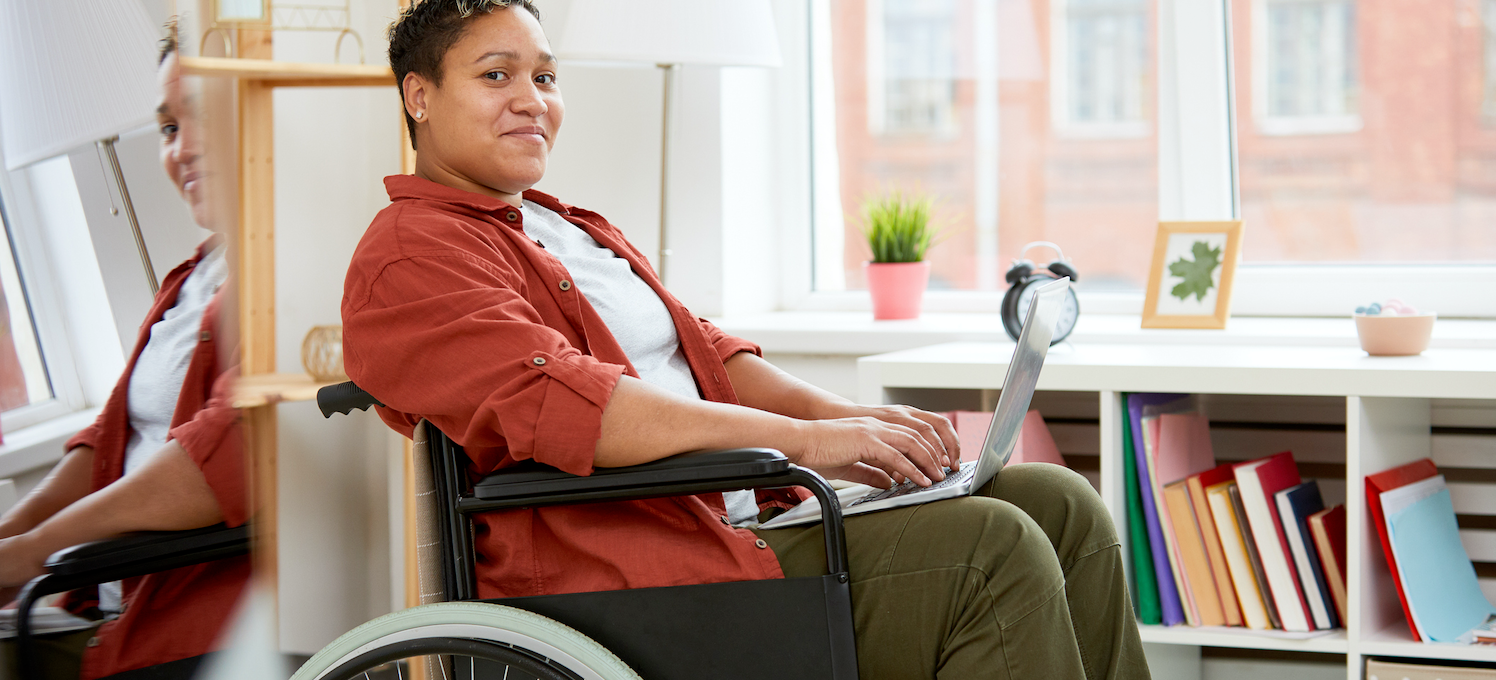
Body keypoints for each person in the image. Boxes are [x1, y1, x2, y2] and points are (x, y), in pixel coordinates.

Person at [343, 2, 1150, 678]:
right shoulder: (413, 253)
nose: (532, 99)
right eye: (496, 76)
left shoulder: (572, 228)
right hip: (642, 570)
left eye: (546, 77)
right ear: (419, 96)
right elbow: (582, 407)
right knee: (989, 548)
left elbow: (711, 356)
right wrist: (812, 441)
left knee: (1062, 503)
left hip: (740, 516)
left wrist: (860, 423)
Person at [0, 25, 249, 680]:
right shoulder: (192, 275)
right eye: (168, 127)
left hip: (202, 621)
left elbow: (220, 456)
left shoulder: (300, 272)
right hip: (107, 602)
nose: (183, 148)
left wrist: (31, 554)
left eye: (205, 113)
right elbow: (110, 436)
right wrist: (10, 537)